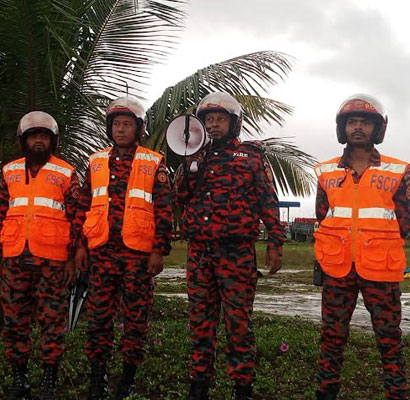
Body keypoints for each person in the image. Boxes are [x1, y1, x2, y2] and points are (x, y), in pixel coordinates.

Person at [173, 91, 284, 400]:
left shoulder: (251, 157)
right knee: (200, 320)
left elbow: (268, 201)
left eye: (221, 119)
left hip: (236, 252)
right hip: (200, 253)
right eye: (209, 120)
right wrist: (188, 166)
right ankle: (199, 383)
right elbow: (179, 199)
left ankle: (243, 386)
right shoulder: (193, 154)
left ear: (234, 123)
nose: (214, 125)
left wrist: (275, 242)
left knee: (238, 322)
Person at [313, 94, 410, 400]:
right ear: (342, 128)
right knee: (331, 336)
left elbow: (404, 221)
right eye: (352, 122)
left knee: (388, 337)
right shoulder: (326, 171)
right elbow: (322, 217)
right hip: (337, 268)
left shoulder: (398, 170)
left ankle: (397, 393)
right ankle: (325, 392)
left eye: (365, 122)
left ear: (377, 128)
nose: (358, 128)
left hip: (380, 269)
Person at [74, 95, 172, 399]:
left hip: (138, 257)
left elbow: (164, 210)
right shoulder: (95, 161)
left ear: (139, 128)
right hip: (101, 253)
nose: (120, 130)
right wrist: (80, 247)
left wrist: (158, 250)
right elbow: (83, 206)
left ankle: (127, 380)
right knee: (99, 318)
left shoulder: (154, 162)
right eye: (116, 124)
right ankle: (97, 379)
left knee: (136, 319)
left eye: (127, 124)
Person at [0, 111, 80, 400]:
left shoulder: (66, 172)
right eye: (33, 136)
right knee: (15, 322)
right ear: (23, 140)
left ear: (52, 140)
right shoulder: (9, 171)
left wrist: (72, 259)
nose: (38, 140)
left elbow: (78, 219)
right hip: (15, 258)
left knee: (52, 322)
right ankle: (20, 379)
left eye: (43, 136)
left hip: (52, 262)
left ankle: (49, 381)